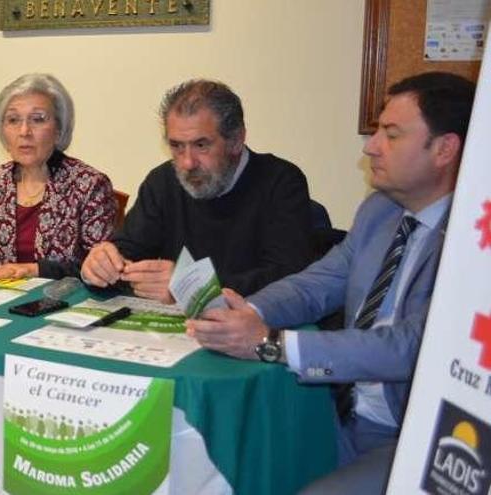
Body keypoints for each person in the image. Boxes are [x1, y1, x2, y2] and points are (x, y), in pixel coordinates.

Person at [187, 72, 476, 494]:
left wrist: (271, 343)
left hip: (421, 436)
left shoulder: (475, 242)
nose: (370, 145)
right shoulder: (380, 211)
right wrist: (249, 313)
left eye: (390, 134)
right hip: (343, 412)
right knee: (238, 463)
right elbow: (316, 284)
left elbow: (409, 348)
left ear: (445, 149)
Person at [80, 79, 313, 302]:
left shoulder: (281, 182)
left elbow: (289, 277)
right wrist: (102, 266)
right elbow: (127, 254)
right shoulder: (162, 181)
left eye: (201, 145)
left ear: (236, 140)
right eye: (177, 146)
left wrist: (191, 286)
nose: (187, 163)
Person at [0, 74, 117, 279]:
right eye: (13, 120)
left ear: (59, 129)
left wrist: (33, 270)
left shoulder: (89, 184)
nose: (24, 131)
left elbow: (104, 269)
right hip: (3, 299)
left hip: (65, 302)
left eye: (38, 119)